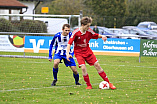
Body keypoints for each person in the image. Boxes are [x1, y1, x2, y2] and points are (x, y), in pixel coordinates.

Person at [66, 17, 116, 89]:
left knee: (97, 65)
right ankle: (89, 85)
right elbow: (69, 43)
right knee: (83, 68)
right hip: (79, 53)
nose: (89, 27)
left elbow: (95, 35)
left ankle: (109, 83)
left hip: (87, 51)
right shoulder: (75, 32)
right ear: (83, 25)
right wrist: (67, 54)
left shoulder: (89, 31)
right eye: (87, 26)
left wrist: (102, 36)